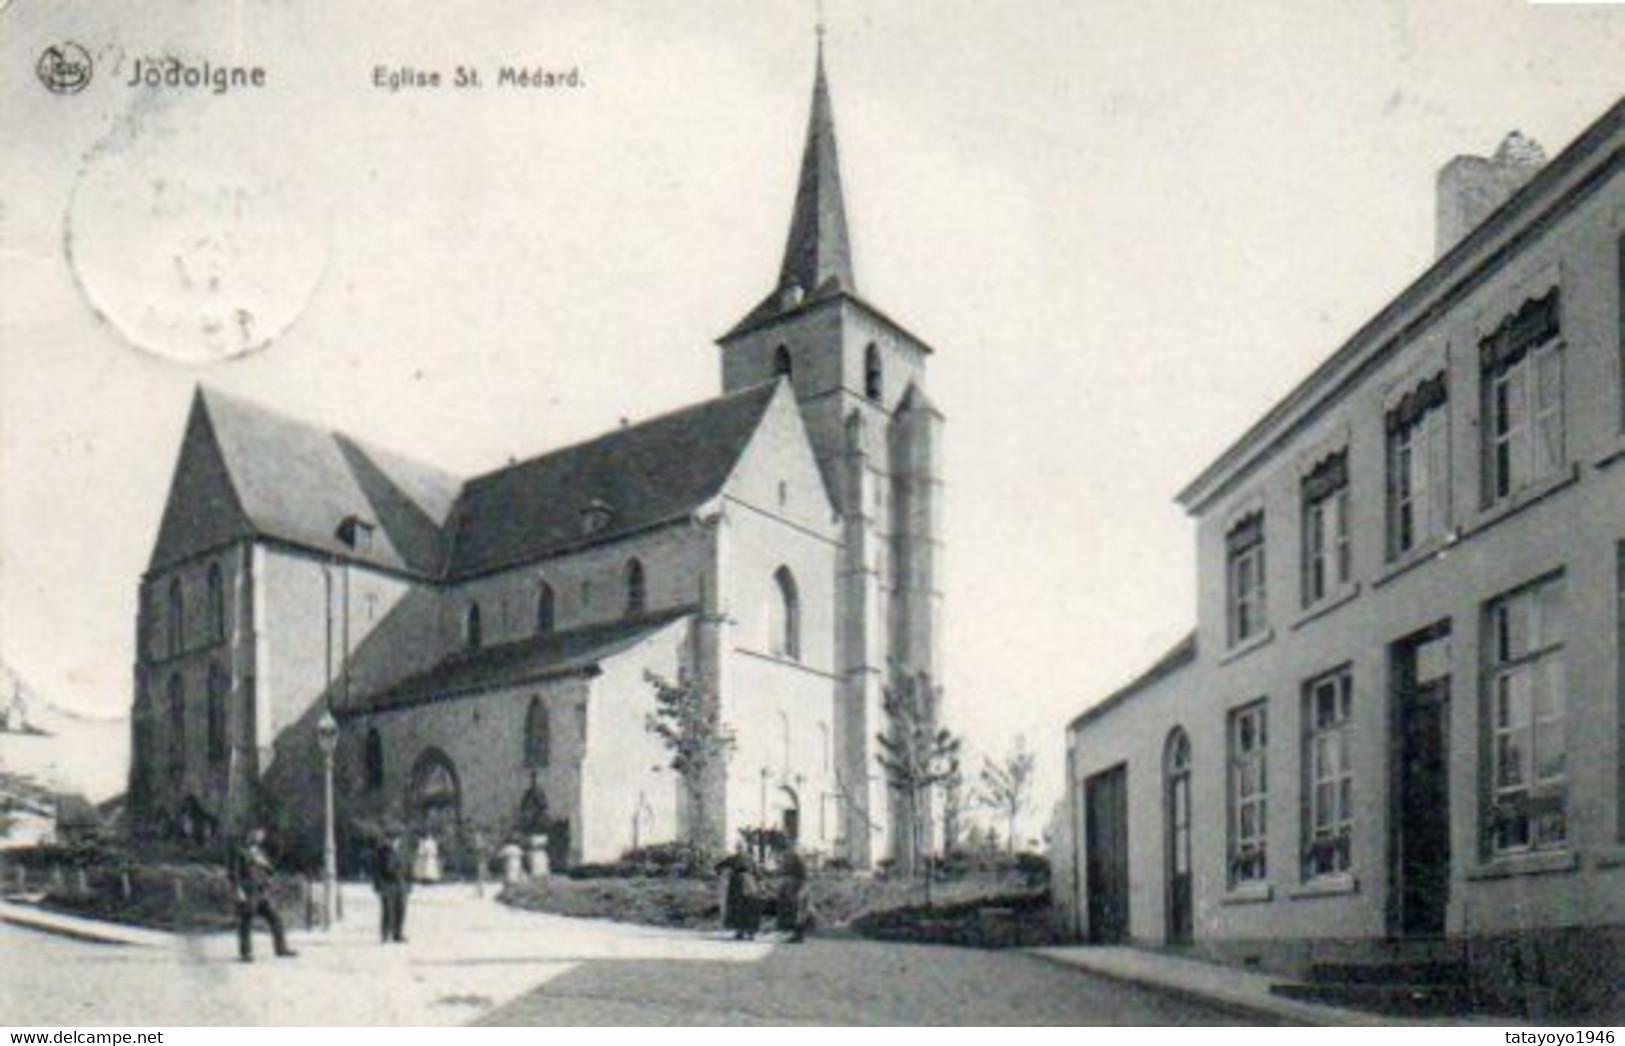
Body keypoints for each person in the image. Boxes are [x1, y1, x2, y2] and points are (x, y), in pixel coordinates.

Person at [229, 826, 296, 962]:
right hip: (248, 891)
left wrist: (266, 869)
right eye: (257, 835)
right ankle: (245, 954)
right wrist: (238, 890)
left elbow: (269, 869)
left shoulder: (259, 853)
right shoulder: (240, 852)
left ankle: (281, 949)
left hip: (261, 892)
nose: (260, 838)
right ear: (250, 836)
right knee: (246, 923)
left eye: (261, 836)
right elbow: (233, 873)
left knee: (275, 919)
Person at [715, 844, 762, 941]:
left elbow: (718, 866)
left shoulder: (733, 858)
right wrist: (758, 884)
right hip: (750, 883)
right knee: (750, 907)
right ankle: (750, 933)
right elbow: (758, 874)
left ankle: (740, 932)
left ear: (737, 849)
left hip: (737, 883)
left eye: (738, 848)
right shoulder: (751, 859)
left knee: (738, 908)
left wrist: (722, 874)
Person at [373, 827, 411, 944]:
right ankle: (385, 934)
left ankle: (398, 933)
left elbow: (408, 867)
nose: (395, 842)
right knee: (388, 911)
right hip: (387, 884)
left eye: (397, 839)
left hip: (401, 884)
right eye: (392, 839)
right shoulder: (381, 851)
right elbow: (376, 869)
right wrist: (378, 885)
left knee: (401, 910)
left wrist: (409, 884)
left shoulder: (403, 851)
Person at [775, 842, 813, 943]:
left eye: (793, 849)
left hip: (800, 888)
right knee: (797, 912)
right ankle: (797, 935)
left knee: (799, 913)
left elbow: (805, 877)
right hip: (797, 888)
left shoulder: (799, 861)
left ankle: (799, 936)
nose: (791, 852)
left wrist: (800, 892)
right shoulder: (796, 860)